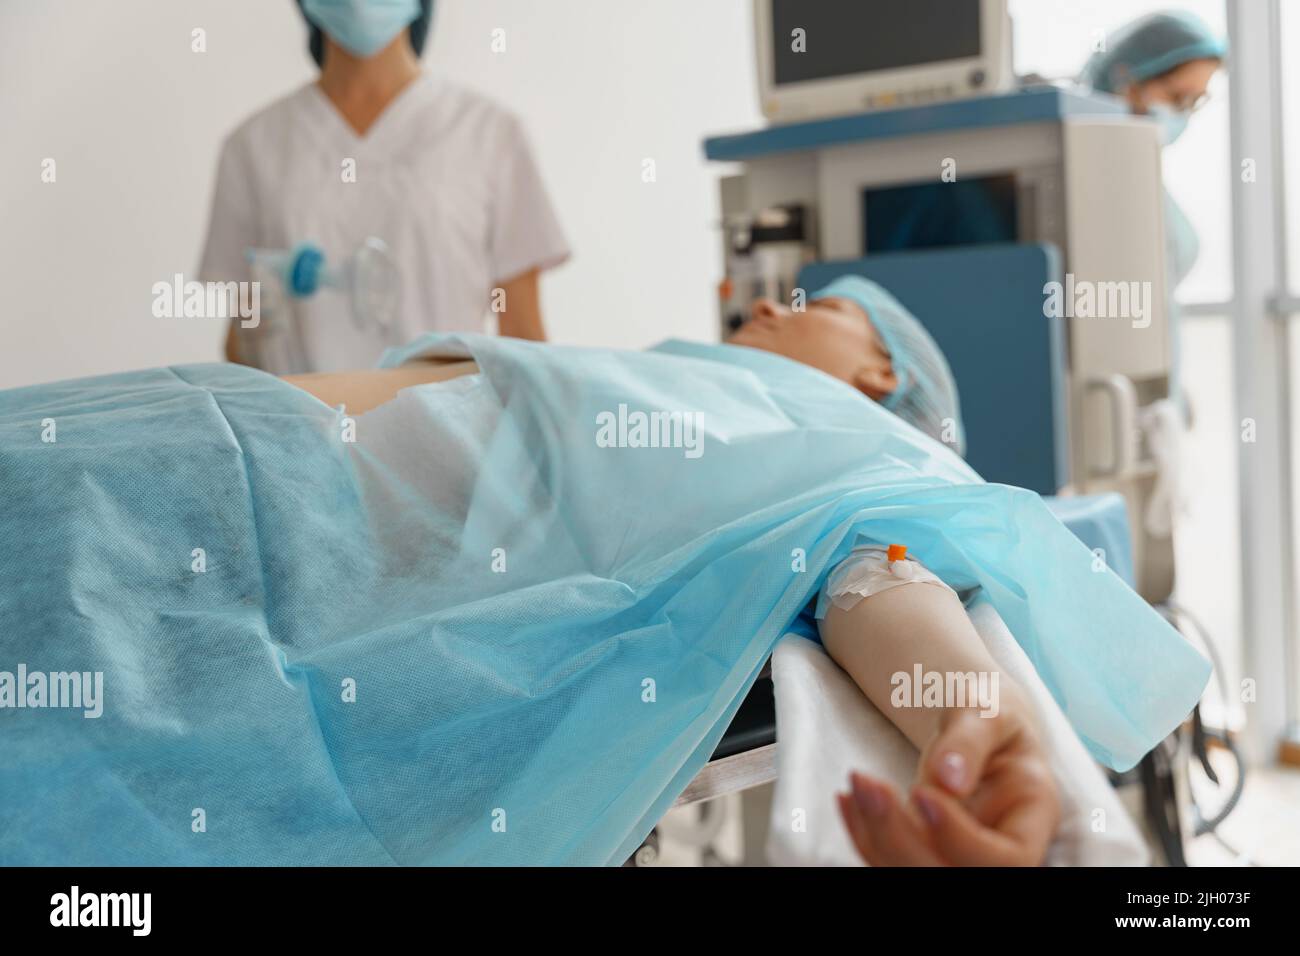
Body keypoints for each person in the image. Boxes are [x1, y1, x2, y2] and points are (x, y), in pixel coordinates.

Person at [1, 279, 1207, 865]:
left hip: (200, 524)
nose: (765, 298)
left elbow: (882, 567)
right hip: (187, 435)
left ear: (885, 373)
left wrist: (973, 718)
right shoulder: (697, 384)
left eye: (816, 301)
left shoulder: (862, 440)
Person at [198, 0, 569, 374]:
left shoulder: (490, 134)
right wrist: (251, 329)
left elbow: (524, 342)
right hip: (298, 428)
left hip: (448, 429)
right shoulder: (253, 145)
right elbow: (238, 348)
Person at [1078, 10, 1226, 402]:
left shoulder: (1142, 178)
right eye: (1177, 97)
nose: (1182, 115)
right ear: (1127, 80)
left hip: (1147, 394)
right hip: (1108, 397)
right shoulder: (1085, 176)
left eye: (1195, 102)